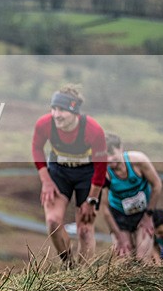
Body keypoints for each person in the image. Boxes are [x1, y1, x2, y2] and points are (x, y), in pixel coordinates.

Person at [31, 85, 107, 265]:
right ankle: (68, 265)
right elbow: (36, 148)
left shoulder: (93, 129)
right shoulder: (44, 124)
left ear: (75, 112)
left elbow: (101, 166)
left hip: (87, 174)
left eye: (62, 110)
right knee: (52, 221)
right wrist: (46, 181)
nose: (56, 115)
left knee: (85, 229)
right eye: (54, 108)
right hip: (59, 171)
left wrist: (92, 200)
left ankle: (85, 274)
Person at [99, 133, 163, 264]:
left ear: (121, 148)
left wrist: (148, 216)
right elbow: (104, 208)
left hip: (143, 213)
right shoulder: (103, 173)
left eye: (112, 153)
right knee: (124, 260)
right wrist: (119, 237)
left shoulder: (138, 161)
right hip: (119, 216)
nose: (109, 159)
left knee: (142, 259)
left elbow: (157, 185)